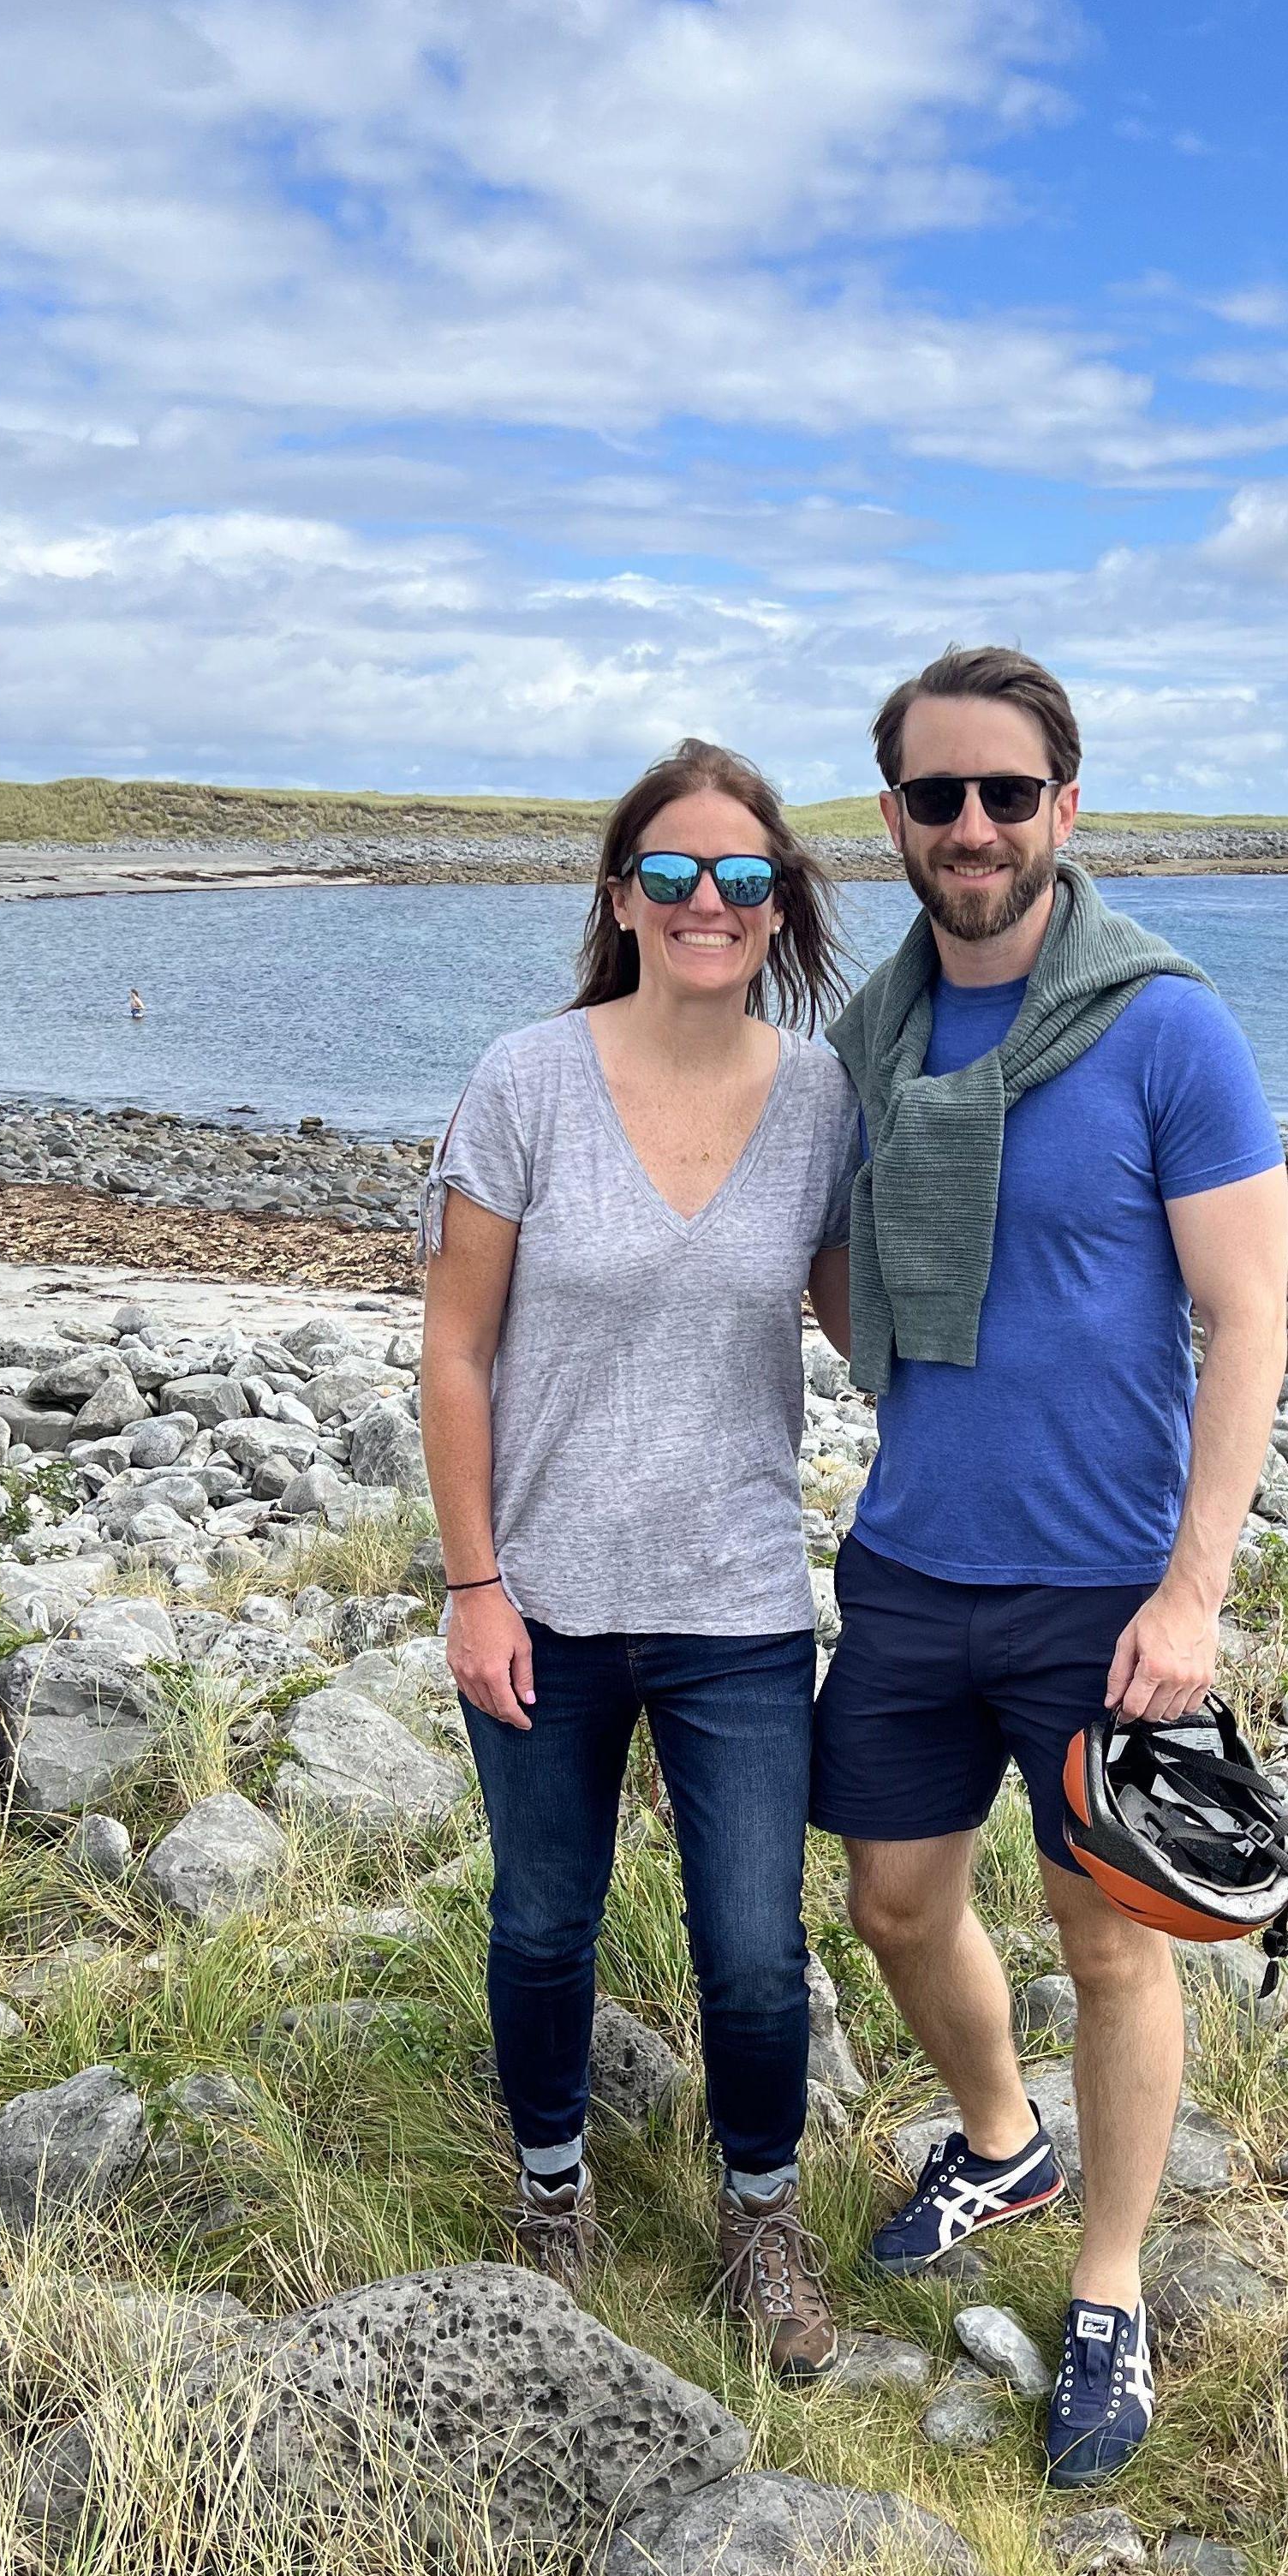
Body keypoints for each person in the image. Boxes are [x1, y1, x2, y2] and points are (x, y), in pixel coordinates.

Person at [813, 647, 1288, 2484]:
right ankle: (998, 2138)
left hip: (1105, 1593)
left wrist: (1194, 1591)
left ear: (1064, 810)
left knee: (1111, 1946)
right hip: (917, 1566)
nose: (975, 828)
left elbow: (1246, 1318)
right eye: (939, 798)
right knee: (896, 1909)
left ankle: (1110, 2294)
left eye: (1008, 794)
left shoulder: (1167, 1028)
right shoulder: (871, 1041)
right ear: (898, 822)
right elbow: (830, 1271)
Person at [418, 738, 858, 2376]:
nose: (705, 901)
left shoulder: (818, 1098)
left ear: (775, 907)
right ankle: (552, 2190)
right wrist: (473, 1584)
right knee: (544, 1920)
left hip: (737, 1603)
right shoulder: (526, 1080)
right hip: (541, 1598)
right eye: (670, 873)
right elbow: (453, 1351)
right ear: (621, 897)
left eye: (742, 877)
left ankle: (761, 2213)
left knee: (755, 1949)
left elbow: (863, 1321)